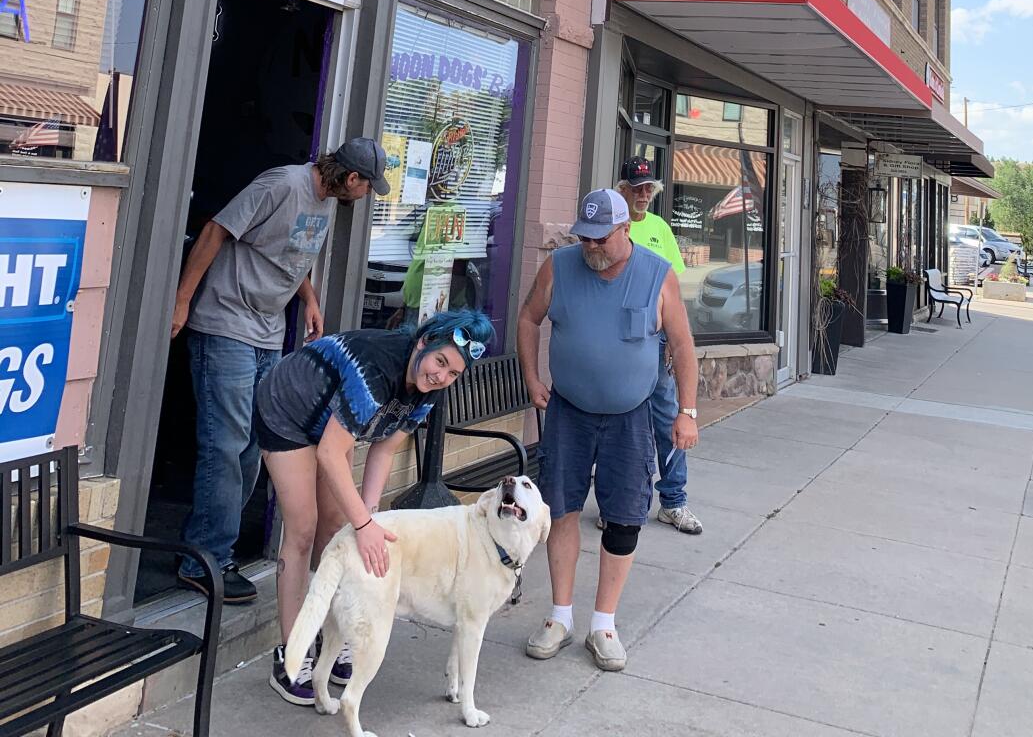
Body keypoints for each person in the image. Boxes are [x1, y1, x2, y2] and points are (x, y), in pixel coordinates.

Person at [171, 137, 389, 605]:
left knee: (254, 445)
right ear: (352, 179)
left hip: (268, 333)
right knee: (226, 445)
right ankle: (202, 559)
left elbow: (289, 255)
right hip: (226, 322)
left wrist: (308, 298)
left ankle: (215, 550)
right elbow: (216, 230)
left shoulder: (325, 201)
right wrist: (183, 300)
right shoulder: (283, 184)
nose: (368, 195)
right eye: (369, 186)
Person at [253, 308, 496, 704]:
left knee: (338, 528)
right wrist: (364, 525)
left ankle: (330, 640)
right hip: (288, 407)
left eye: (453, 373)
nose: (441, 376)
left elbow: (383, 450)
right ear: (423, 342)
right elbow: (332, 452)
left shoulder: (428, 390)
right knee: (303, 528)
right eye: (439, 361)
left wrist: (366, 519)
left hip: (330, 423)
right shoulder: (378, 368)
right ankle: (290, 657)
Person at [518, 188, 699, 672]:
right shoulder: (560, 266)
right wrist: (533, 377)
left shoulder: (657, 276)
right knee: (561, 510)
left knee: (623, 518)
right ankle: (559, 616)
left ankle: (603, 624)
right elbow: (528, 318)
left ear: (625, 231)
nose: (592, 247)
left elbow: (682, 346)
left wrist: (687, 412)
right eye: (586, 238)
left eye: (601, 238)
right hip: (569, 412)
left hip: (632, 416)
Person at [614, 156, 702, 535]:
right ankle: (618, 503)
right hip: (617, 341)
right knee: (620, 425)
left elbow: (675, 292)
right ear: (623, 190)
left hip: (654, 341)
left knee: (668, 420)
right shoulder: (611, 227)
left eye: (649, 187)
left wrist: (671, 338)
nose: (643, 194)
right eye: (636, 187)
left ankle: (673, 502)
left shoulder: (659, 228)